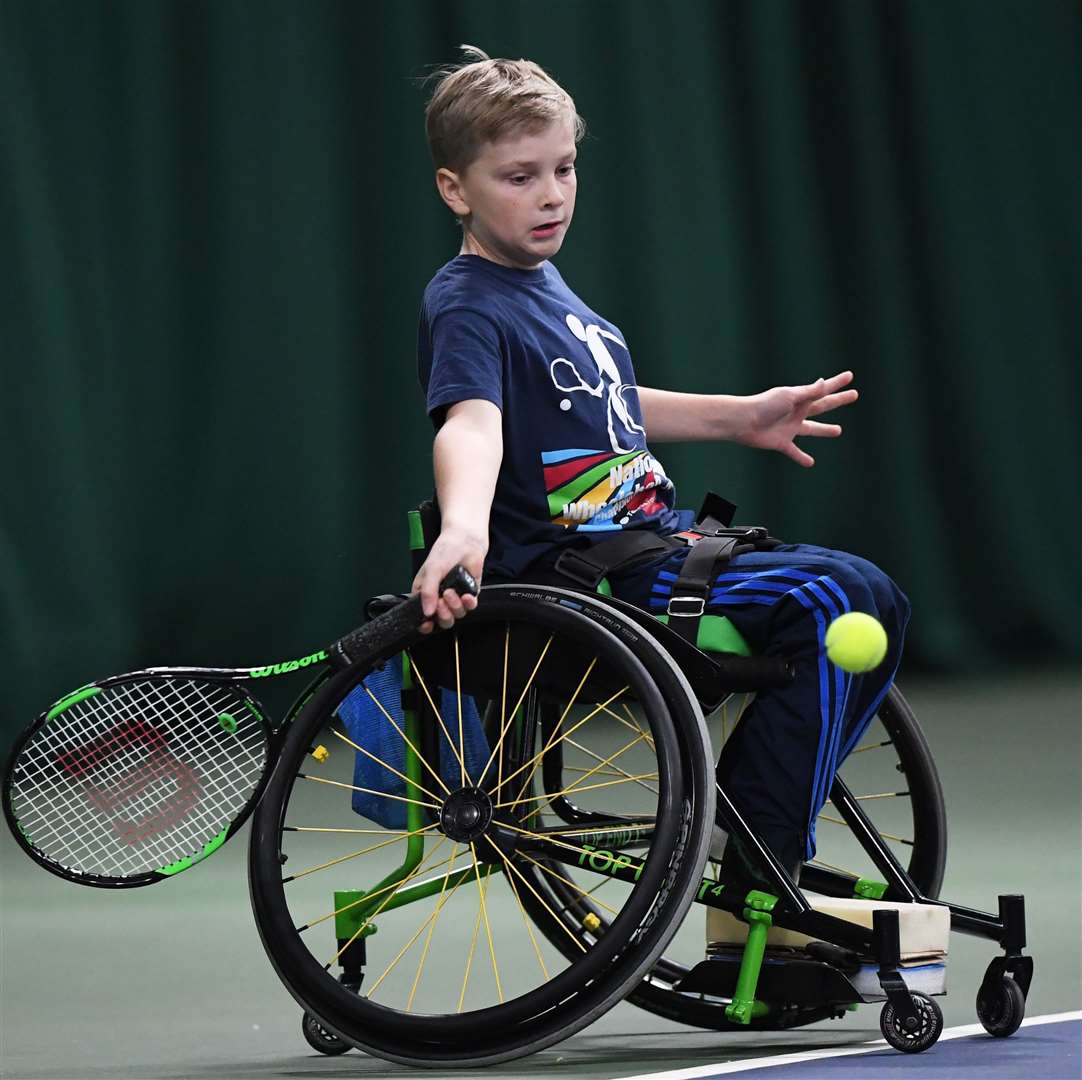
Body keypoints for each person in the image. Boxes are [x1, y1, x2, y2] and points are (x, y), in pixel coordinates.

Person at [412, 46, 909, 884]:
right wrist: (462, 524)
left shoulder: (553, 296)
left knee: (874, 595)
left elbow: (604, 404)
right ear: (455, 190)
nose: (552, 194)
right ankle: (756, 849)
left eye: (564, 168)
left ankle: (755, 831)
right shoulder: (467, 300)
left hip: (654, 547)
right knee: (835, 597)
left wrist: (742, 416)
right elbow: (473, 421)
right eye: (519, 176)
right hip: (584, 576)